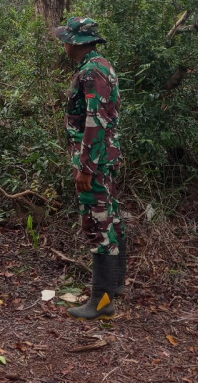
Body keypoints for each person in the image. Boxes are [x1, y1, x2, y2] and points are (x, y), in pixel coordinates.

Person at [56, 17, 127, 320]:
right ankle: (115, 286)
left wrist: (85, 168)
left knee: (98, 225)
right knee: (110, 218)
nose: (65, 44)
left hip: (94, 162)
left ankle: (101, 301)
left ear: (78, 42)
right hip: (102, 157)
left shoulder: (92, 71)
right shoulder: (101, 65)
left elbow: (94, 121)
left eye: (67, 40)